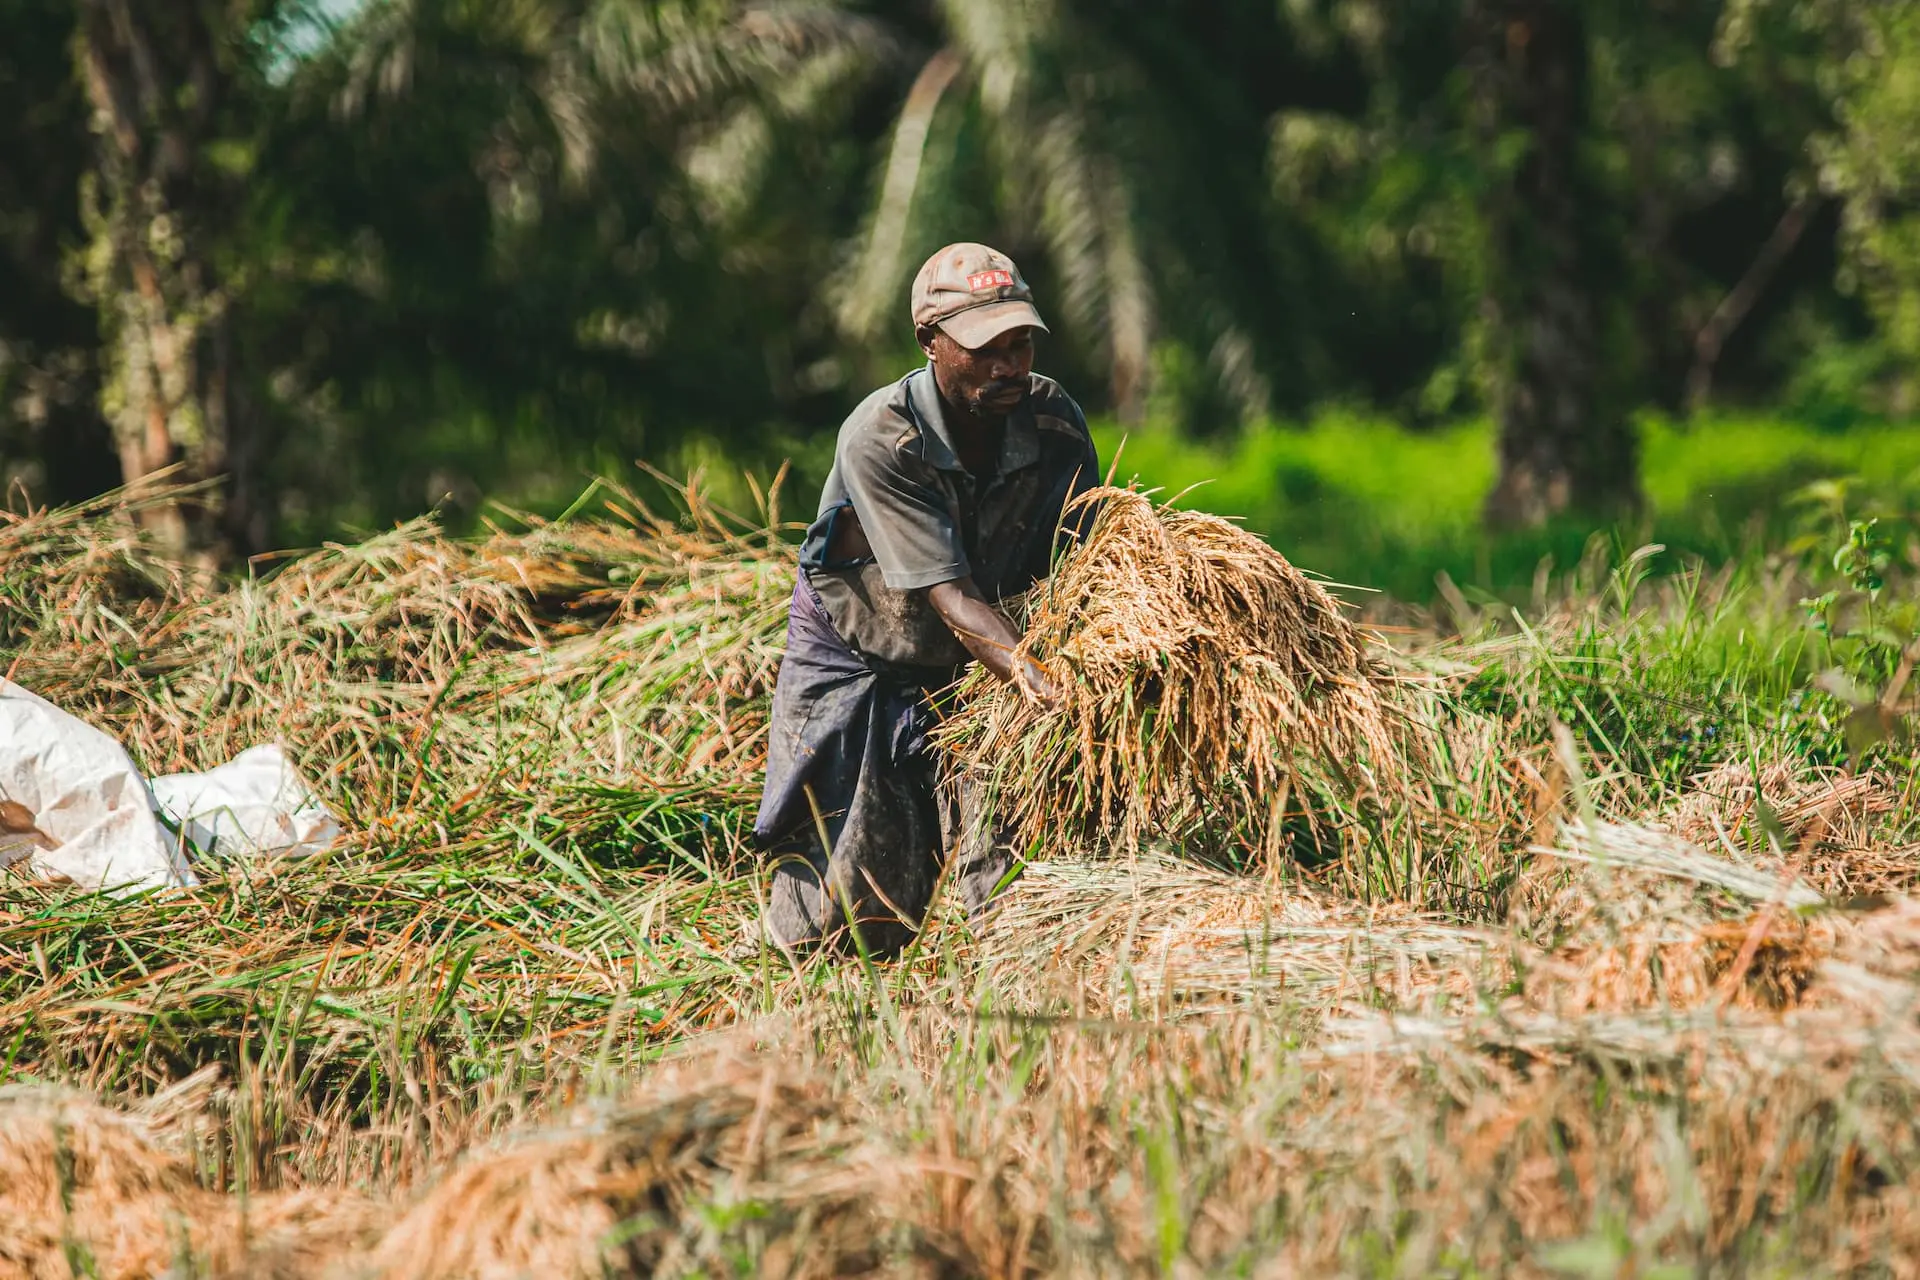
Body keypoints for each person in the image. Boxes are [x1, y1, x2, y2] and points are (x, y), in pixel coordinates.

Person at [751, 242, 1101, 955]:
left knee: (1009, 846)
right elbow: (949, 595)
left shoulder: (1054, 422)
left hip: (989, 649)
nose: (1009, 365)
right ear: (930, 344)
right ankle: (803, 1020)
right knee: (853, 902)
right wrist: (1046, 683)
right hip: (865, 649)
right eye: (985, 349)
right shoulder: (883, 439)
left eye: (1020, 343)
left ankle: (1022, 975)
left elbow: (1092, 555)